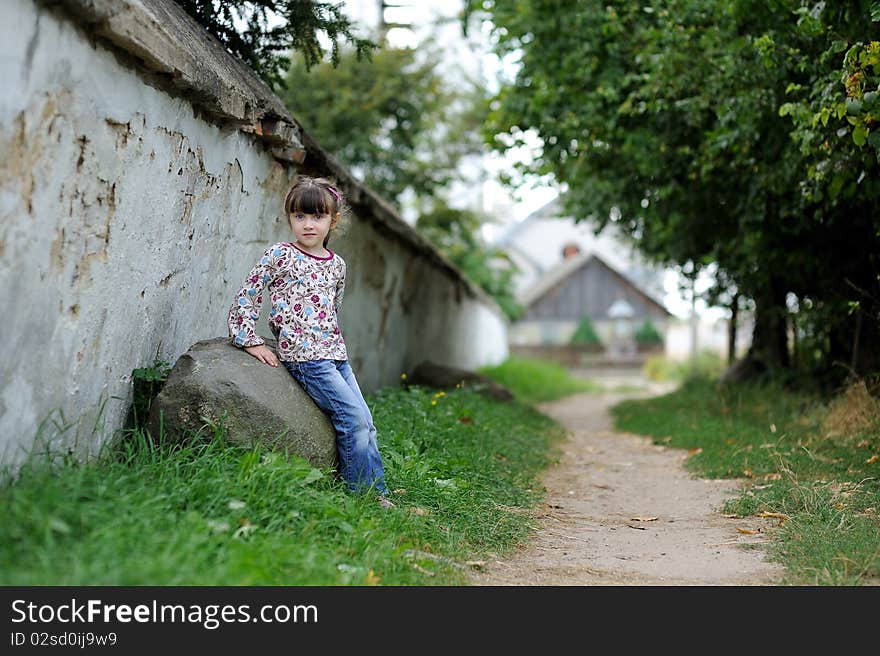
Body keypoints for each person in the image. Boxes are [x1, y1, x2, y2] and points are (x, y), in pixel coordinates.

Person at [226, 176, 394, 509]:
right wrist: (249, 340)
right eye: (299, 216)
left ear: (332, 221)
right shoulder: (280, 255)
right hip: (306, 359)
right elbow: (248, 294)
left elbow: (332, 310)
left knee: (366, 421)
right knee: (353, 420)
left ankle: (378, 490)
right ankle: (363, 496)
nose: (307, 224)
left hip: (335, 356)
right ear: (289, 217)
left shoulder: (337, 266)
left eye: (316, 217)